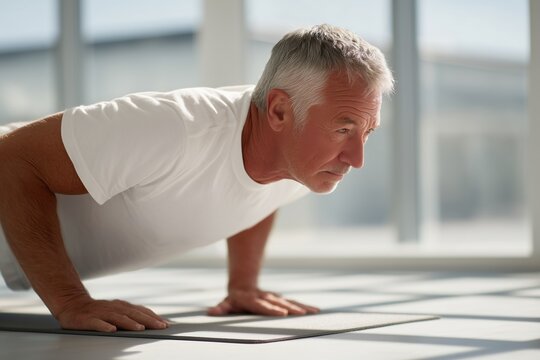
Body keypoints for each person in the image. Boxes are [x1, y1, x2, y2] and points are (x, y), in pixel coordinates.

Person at [0, 24, 393, 333]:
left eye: (367, 132)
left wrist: (244, 284)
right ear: (278, 112)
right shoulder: (175, 127)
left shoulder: (302, 157)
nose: (356, 159)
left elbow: (257, 191)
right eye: (344, 130)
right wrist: (70, 300)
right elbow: (12, 159)